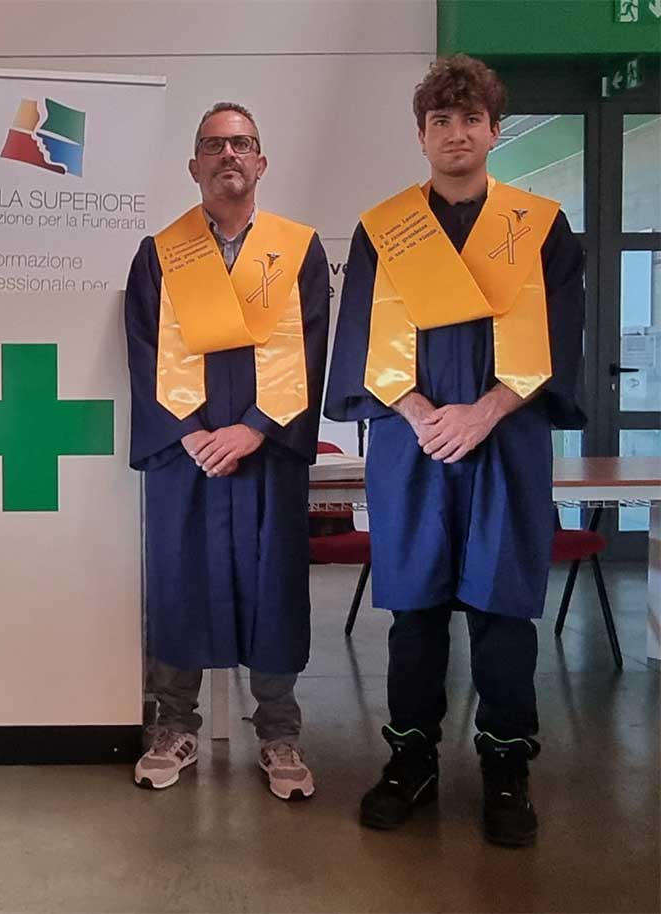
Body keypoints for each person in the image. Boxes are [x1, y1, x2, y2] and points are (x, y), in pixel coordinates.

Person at [324, 55, 585, 847]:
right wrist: (420, 413)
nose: (457, 133)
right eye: (441, 120)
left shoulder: (539, 226)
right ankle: (411, 761)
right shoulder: (385, 229)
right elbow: (362, 338)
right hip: (414, 443)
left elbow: (560, 338)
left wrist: (486, 412)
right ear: (421, 135)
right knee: (416, 611)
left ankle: (507, 768)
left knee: (504, 614)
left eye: (472, 119)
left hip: (506, 440)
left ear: (495, 131)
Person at [124, 102, 329, 798]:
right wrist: (189, 433)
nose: (228, 155)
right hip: (186, 451)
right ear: (194, 166)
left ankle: (278, 732)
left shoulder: (298, 249)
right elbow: (143, 349)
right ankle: (173, 725)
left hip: (265, 447)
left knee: (274, 584)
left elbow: (311, 345)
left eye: (241, 143)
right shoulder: (162, 252)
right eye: (213, 146)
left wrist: (256, 428)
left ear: (261, 162)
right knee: (179, 581)